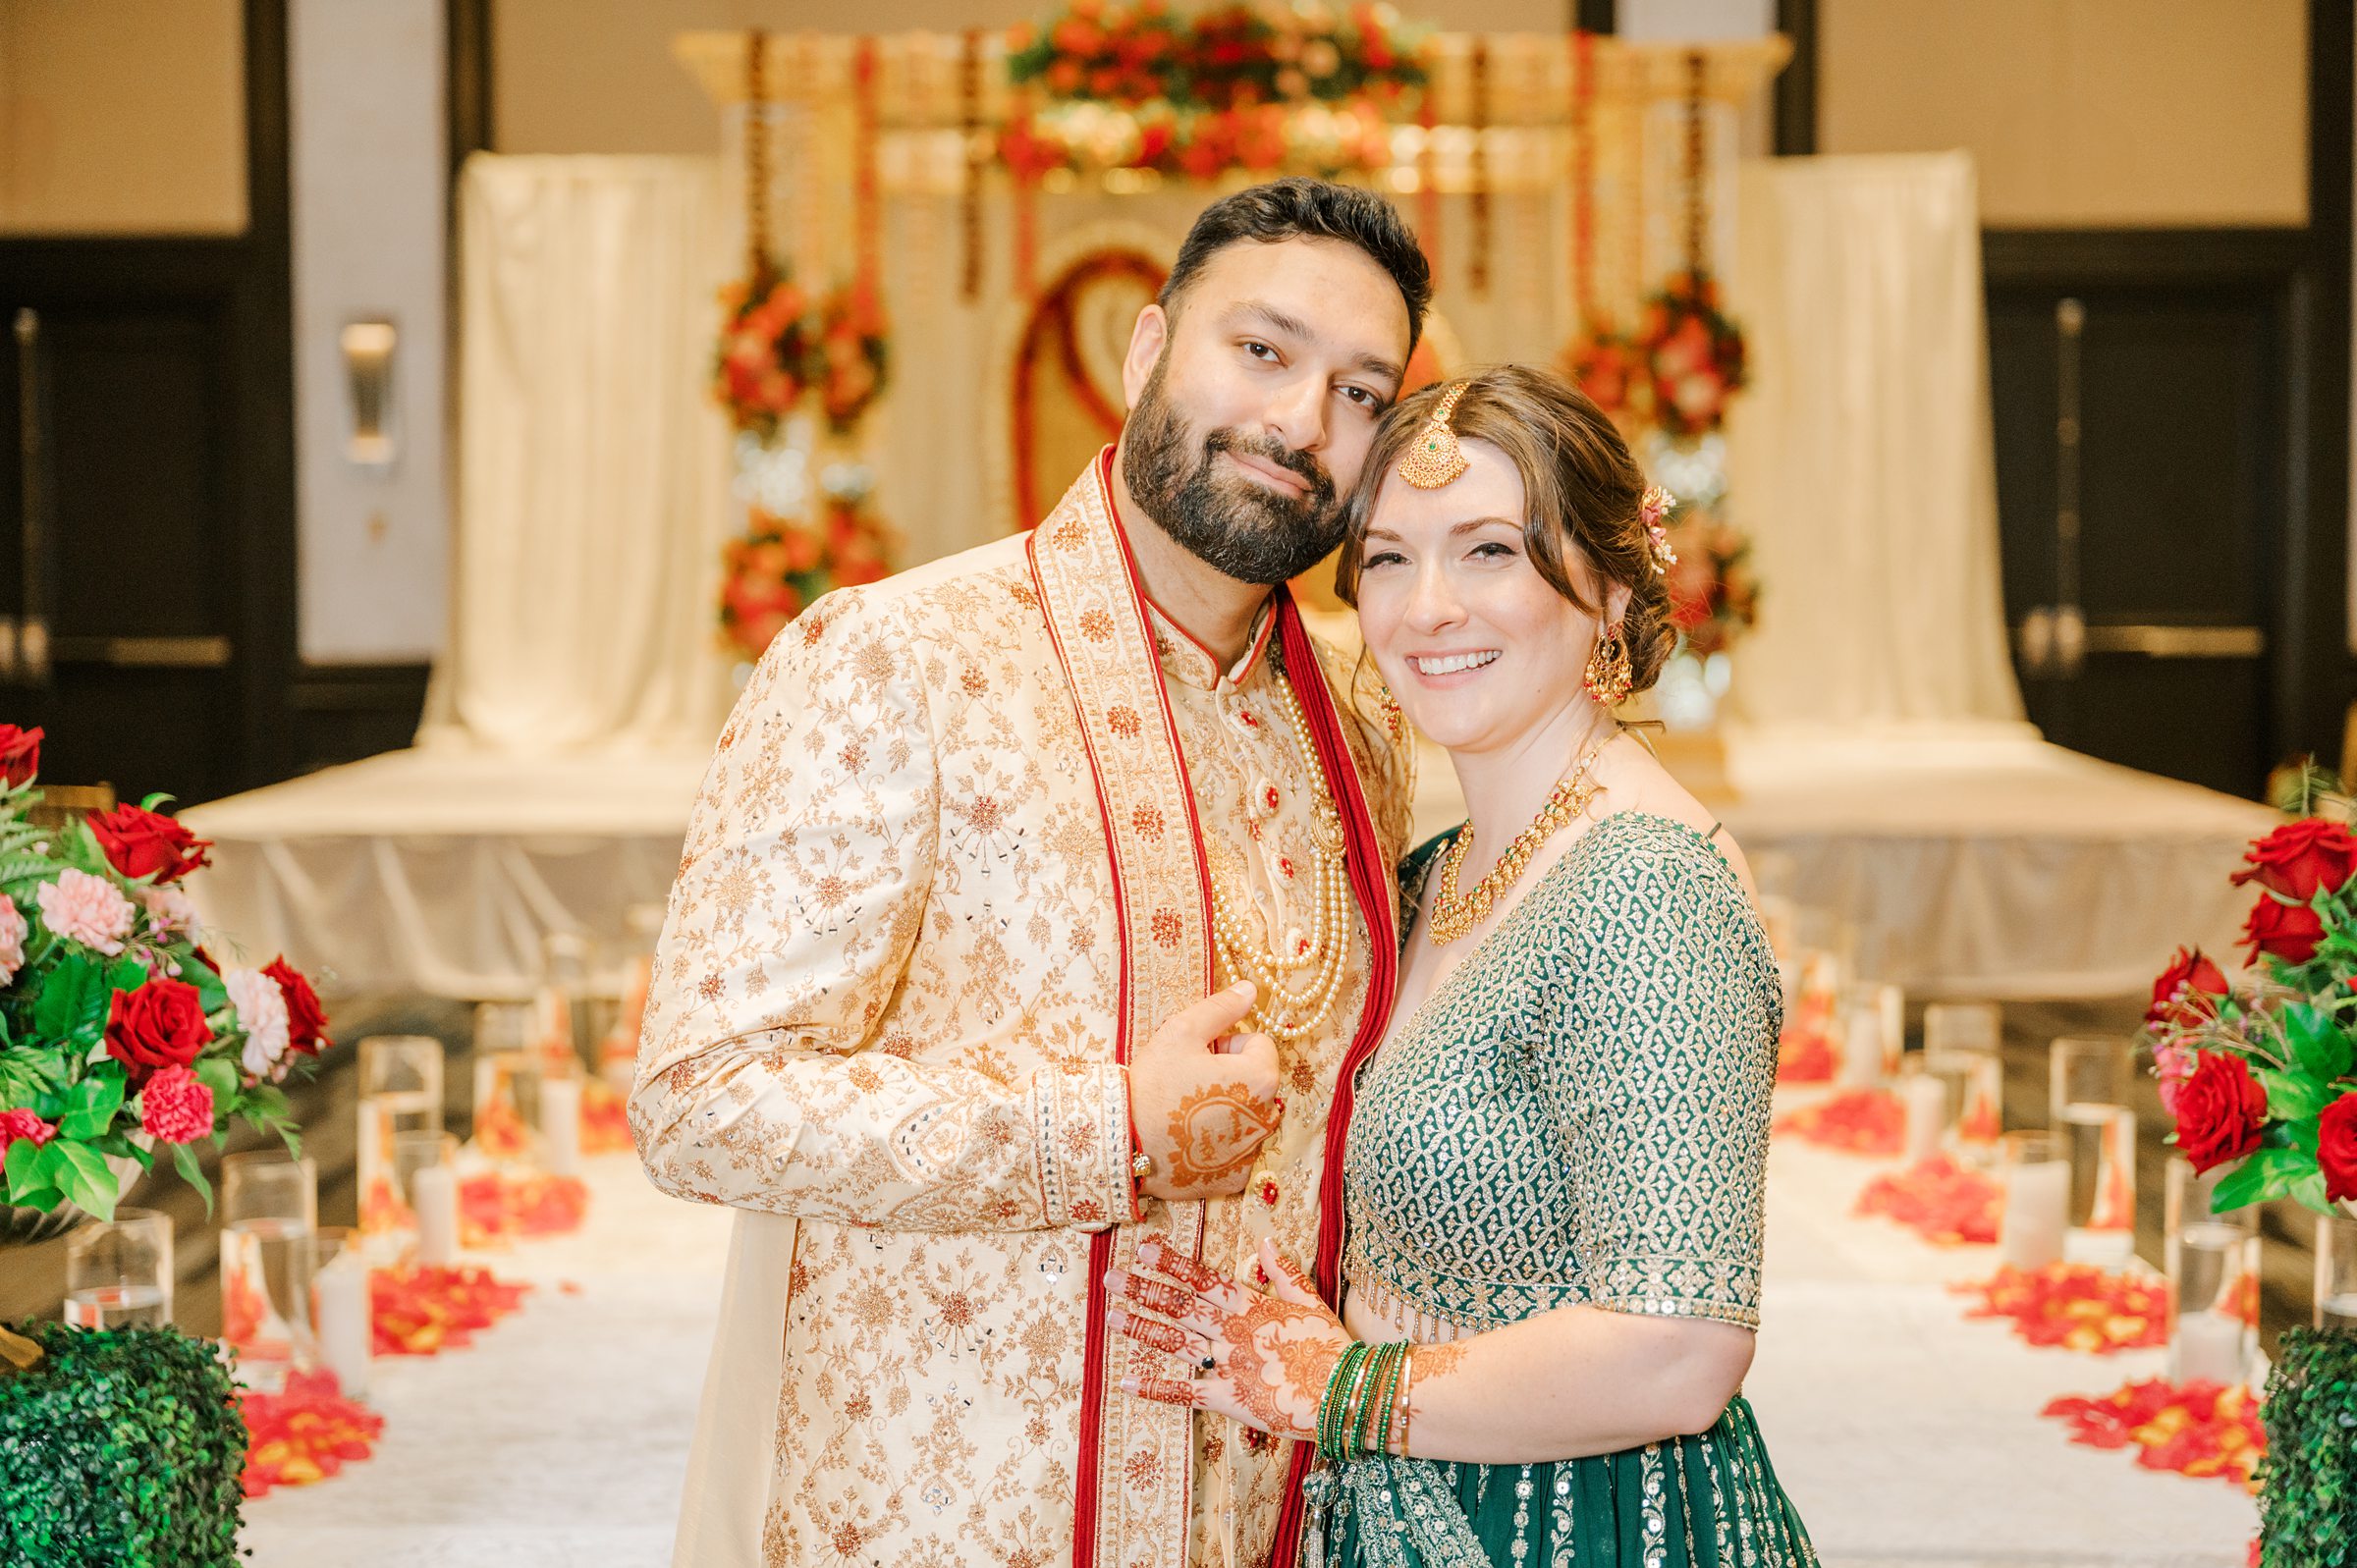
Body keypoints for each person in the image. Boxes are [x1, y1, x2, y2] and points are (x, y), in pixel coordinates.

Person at [630, 179, 1428, 1568]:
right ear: (1144, 351)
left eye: (1362, 393)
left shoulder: (1356, 714)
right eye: (1263, 351)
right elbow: (699, 1099)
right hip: (947, 1520)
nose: (1304, 423)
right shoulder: (897, 658)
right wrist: (1105, 1127)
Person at [1106, 365, 1818, 1567]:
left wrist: (1338, 1389)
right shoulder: (1439, 871)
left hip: (1580, 1523)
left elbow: (1680, 1348)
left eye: (1488, 550)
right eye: (1387, 558)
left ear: (1604, 583)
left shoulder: (1641, 882)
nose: (1427, 606)